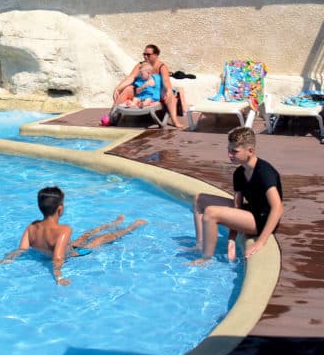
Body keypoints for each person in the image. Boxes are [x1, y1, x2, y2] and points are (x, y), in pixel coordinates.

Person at [0, 186, 147, 285]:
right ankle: (132, 225)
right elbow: (58, 257)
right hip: (74, 254)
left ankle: (115, 222)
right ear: (60, 210)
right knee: (104, 238)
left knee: (86, 235)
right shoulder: (63, 230)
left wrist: (6, 260)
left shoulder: (31, 227)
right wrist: (59, 277)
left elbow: (21, 250)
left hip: (70, 247)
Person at [190, 127, 283, 265]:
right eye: (229, 150)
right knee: (200, 199)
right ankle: (200, 244)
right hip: (249, 211)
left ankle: (206, 259)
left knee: (211, 213)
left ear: (250, 151)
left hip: (263, 220)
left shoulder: (264, 172)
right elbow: (237, 207)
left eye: (234, 151)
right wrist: (231, 239)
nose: (229, 155)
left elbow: (278, 208)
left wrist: (260, 242)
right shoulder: (239, 173)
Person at [110, 44, 189, 128]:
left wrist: (168, 90)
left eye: (148, 55)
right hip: (141, 92)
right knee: (128, 89)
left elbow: (166, 81)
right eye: (144, 54)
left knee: (169, 94)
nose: (145, 57)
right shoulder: (141, 65)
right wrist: (118, 89)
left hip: (156, 92)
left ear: (156, 55)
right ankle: (112, 115)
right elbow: (131, 77)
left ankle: (175, 120)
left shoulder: (161, 66)